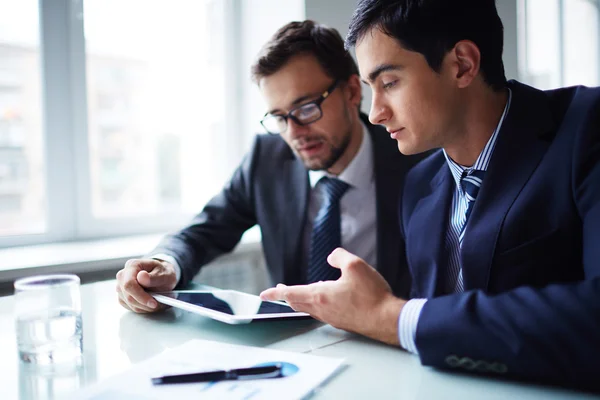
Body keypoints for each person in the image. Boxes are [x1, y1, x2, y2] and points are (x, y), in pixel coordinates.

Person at [261, 0, 600, 390]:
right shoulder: (421, 185)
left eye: (389, 83)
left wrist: (389, 315)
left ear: (462, 65)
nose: (375, 114)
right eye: (371, 89)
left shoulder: (587, 129)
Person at [116, 20, 424, 314]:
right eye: (279, 117)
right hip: (293, 346)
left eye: (306, 109)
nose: (294, 132)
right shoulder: (266, 158)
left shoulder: (417, 163)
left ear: (352, 92)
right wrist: (166, 263)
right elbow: (204, 230)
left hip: (385, 344)